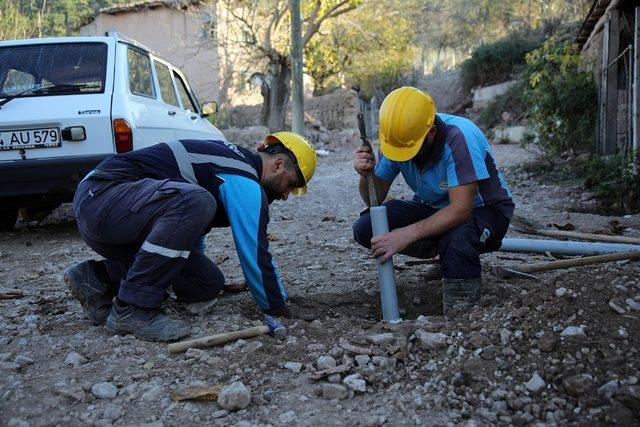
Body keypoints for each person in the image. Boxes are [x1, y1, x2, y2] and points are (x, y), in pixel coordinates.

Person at [63, 132, 316, 341]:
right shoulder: (244, 179)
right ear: (279, 165)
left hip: (115, 215)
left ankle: (98, 279)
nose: (285, 196)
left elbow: (184, 228)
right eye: (291, 185)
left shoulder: (228, 162)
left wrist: (190, 267)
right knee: (197, 200)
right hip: (102, 198)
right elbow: (256, 253)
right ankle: (133, 307)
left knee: (205, 282)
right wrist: (277, 307)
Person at [352, 86, 514, 316]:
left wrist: (406, 234)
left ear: (431, 133)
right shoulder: (398, 139)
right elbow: (374, 199)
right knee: (366, 227)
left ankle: (461, 314)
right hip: (433, 209)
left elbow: (460, 210)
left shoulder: (459, 137)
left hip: (484, 212)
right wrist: (366, 175)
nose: (404, 157)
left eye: (410, 151)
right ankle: (450, 258)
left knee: (458, 236)